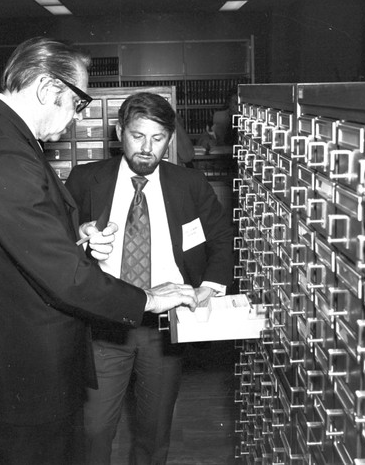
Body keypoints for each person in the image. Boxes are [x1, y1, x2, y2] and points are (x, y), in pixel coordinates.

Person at [0, 37, 197, 465]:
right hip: (26, 364)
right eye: (77, 104)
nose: (77, 119)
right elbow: (62, 278)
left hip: (27, 359)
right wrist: (149, 297)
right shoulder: (1, 151)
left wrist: (75, 239)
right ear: (46, 89)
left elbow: (11, 247)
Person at [66, 91, 234, 465]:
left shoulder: (189, 184)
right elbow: (57, 244)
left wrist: (209, 287)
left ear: (169, 140)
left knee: (155, 431)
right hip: (106, 321)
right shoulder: (85, 179)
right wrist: (80, 235)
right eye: (138, 136)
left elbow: (221, 240)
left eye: (158, 139)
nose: (147, 148)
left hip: (164, 328)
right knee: (94, 430)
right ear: (118, 131)